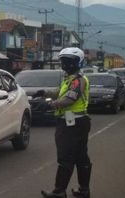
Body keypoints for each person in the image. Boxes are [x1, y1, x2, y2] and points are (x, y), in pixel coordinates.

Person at [41, 47, 92, 198]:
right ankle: (84, 191)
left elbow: (70, 99)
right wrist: (42, 93)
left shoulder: (78, 81)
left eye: (69, 61)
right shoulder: (70, 79)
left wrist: (50, 104)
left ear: (78, 63)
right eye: (63, 61)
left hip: (72, 124)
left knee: (66, 157)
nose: (65, 64)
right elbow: (59, 92)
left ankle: (59, 192)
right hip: (79, 122)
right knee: (81, 156)